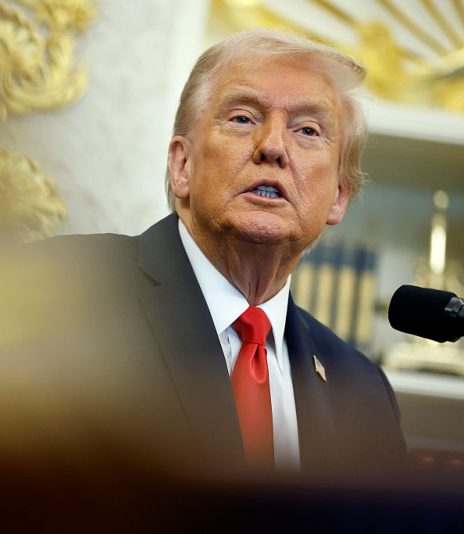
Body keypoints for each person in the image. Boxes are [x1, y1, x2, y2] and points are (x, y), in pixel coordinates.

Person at [29, 29, 406, 477]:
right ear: (182, 165)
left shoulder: (362, 393)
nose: (273, 147)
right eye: (244, 118)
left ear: (339, 197)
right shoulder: (63, 295)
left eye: (308, 130)